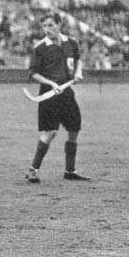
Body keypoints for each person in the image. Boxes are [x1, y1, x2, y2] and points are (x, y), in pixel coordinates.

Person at [24, 13, 90, 183]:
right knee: (51, 132)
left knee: (74, 129)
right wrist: (51, 83)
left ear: (59, 24)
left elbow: (78, 59)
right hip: (49, 94)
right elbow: (33, 73)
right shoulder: (40, 47)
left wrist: (78, 72)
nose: (47, 29)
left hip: (66, 93)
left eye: (51, 25)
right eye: (45, 26)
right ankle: (33, 170)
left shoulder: (71, 43)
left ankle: (70, 171)